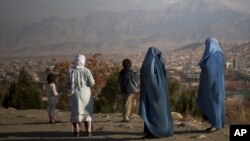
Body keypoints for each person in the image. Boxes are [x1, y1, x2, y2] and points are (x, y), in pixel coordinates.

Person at [139, 47, 173, 138]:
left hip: (151, 93)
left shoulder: (148, 64)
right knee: (160, 112)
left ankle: (154, 132)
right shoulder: (160, 63)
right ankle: (160, 130)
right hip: (161, 92)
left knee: (152, 111)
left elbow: (148, 77)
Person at [197, 38, 225, 132]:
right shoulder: (220, 54)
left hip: (210, 83)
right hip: (219, 83)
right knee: (217, 102)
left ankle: (214, 124)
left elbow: (208, 67)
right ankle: (218, 124)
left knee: (211, 101)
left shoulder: (210, 55)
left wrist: (202, 64)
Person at [68, 54, 95, 137]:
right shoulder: (86, 70)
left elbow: (69, 83)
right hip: (86, 94)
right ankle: (88, 132)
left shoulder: (71, 71)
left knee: (76, 113)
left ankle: (76, 131)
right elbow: (92, 83)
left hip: (75, 93)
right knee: (87, 113)